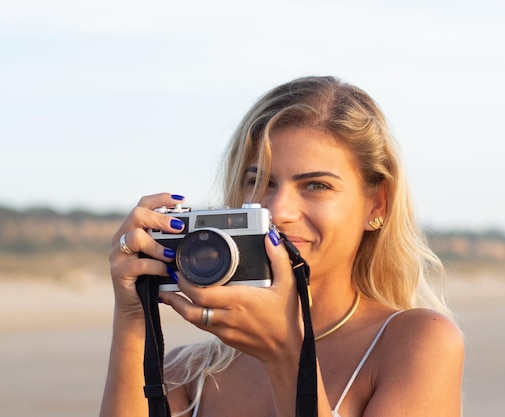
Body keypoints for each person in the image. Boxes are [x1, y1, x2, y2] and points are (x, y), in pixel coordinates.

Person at [100, 75, 464, 417]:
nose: (278, 210)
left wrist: (286, 358)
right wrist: (133, 318)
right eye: (259, 181)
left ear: (377, 204)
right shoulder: (186, 373)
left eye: (316, 185)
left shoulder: (416, 344)